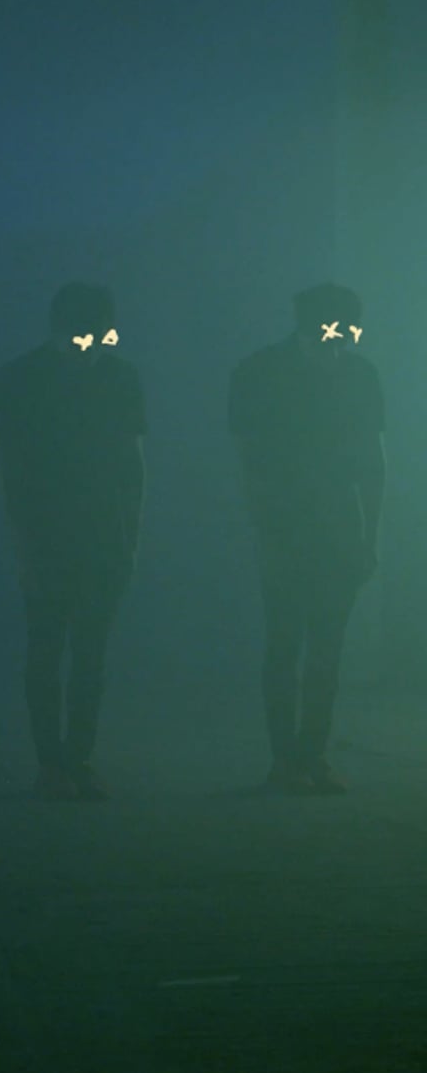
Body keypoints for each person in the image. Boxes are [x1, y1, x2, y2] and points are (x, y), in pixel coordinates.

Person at [0, 283, 145, 801]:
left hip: (88, 535)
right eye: (83, 337)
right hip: (54, 536)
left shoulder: (25, 377)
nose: (89, 346)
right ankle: (59, 763)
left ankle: (70, 761)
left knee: (81, 654)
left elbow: (132, 466)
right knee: (54, 649)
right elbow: (14, 474)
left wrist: (129, 539)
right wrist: (26, 548)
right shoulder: (27, 379)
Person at [230, 284, 384, 794]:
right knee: (289, 644)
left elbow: (373, 462)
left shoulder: (348, 372)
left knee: (320, 648)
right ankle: (291, 758)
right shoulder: (264, 372)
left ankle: (305, 756)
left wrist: (369, 536)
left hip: (328, 528)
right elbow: (251, 462)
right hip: (289, 528)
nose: (342, 343)